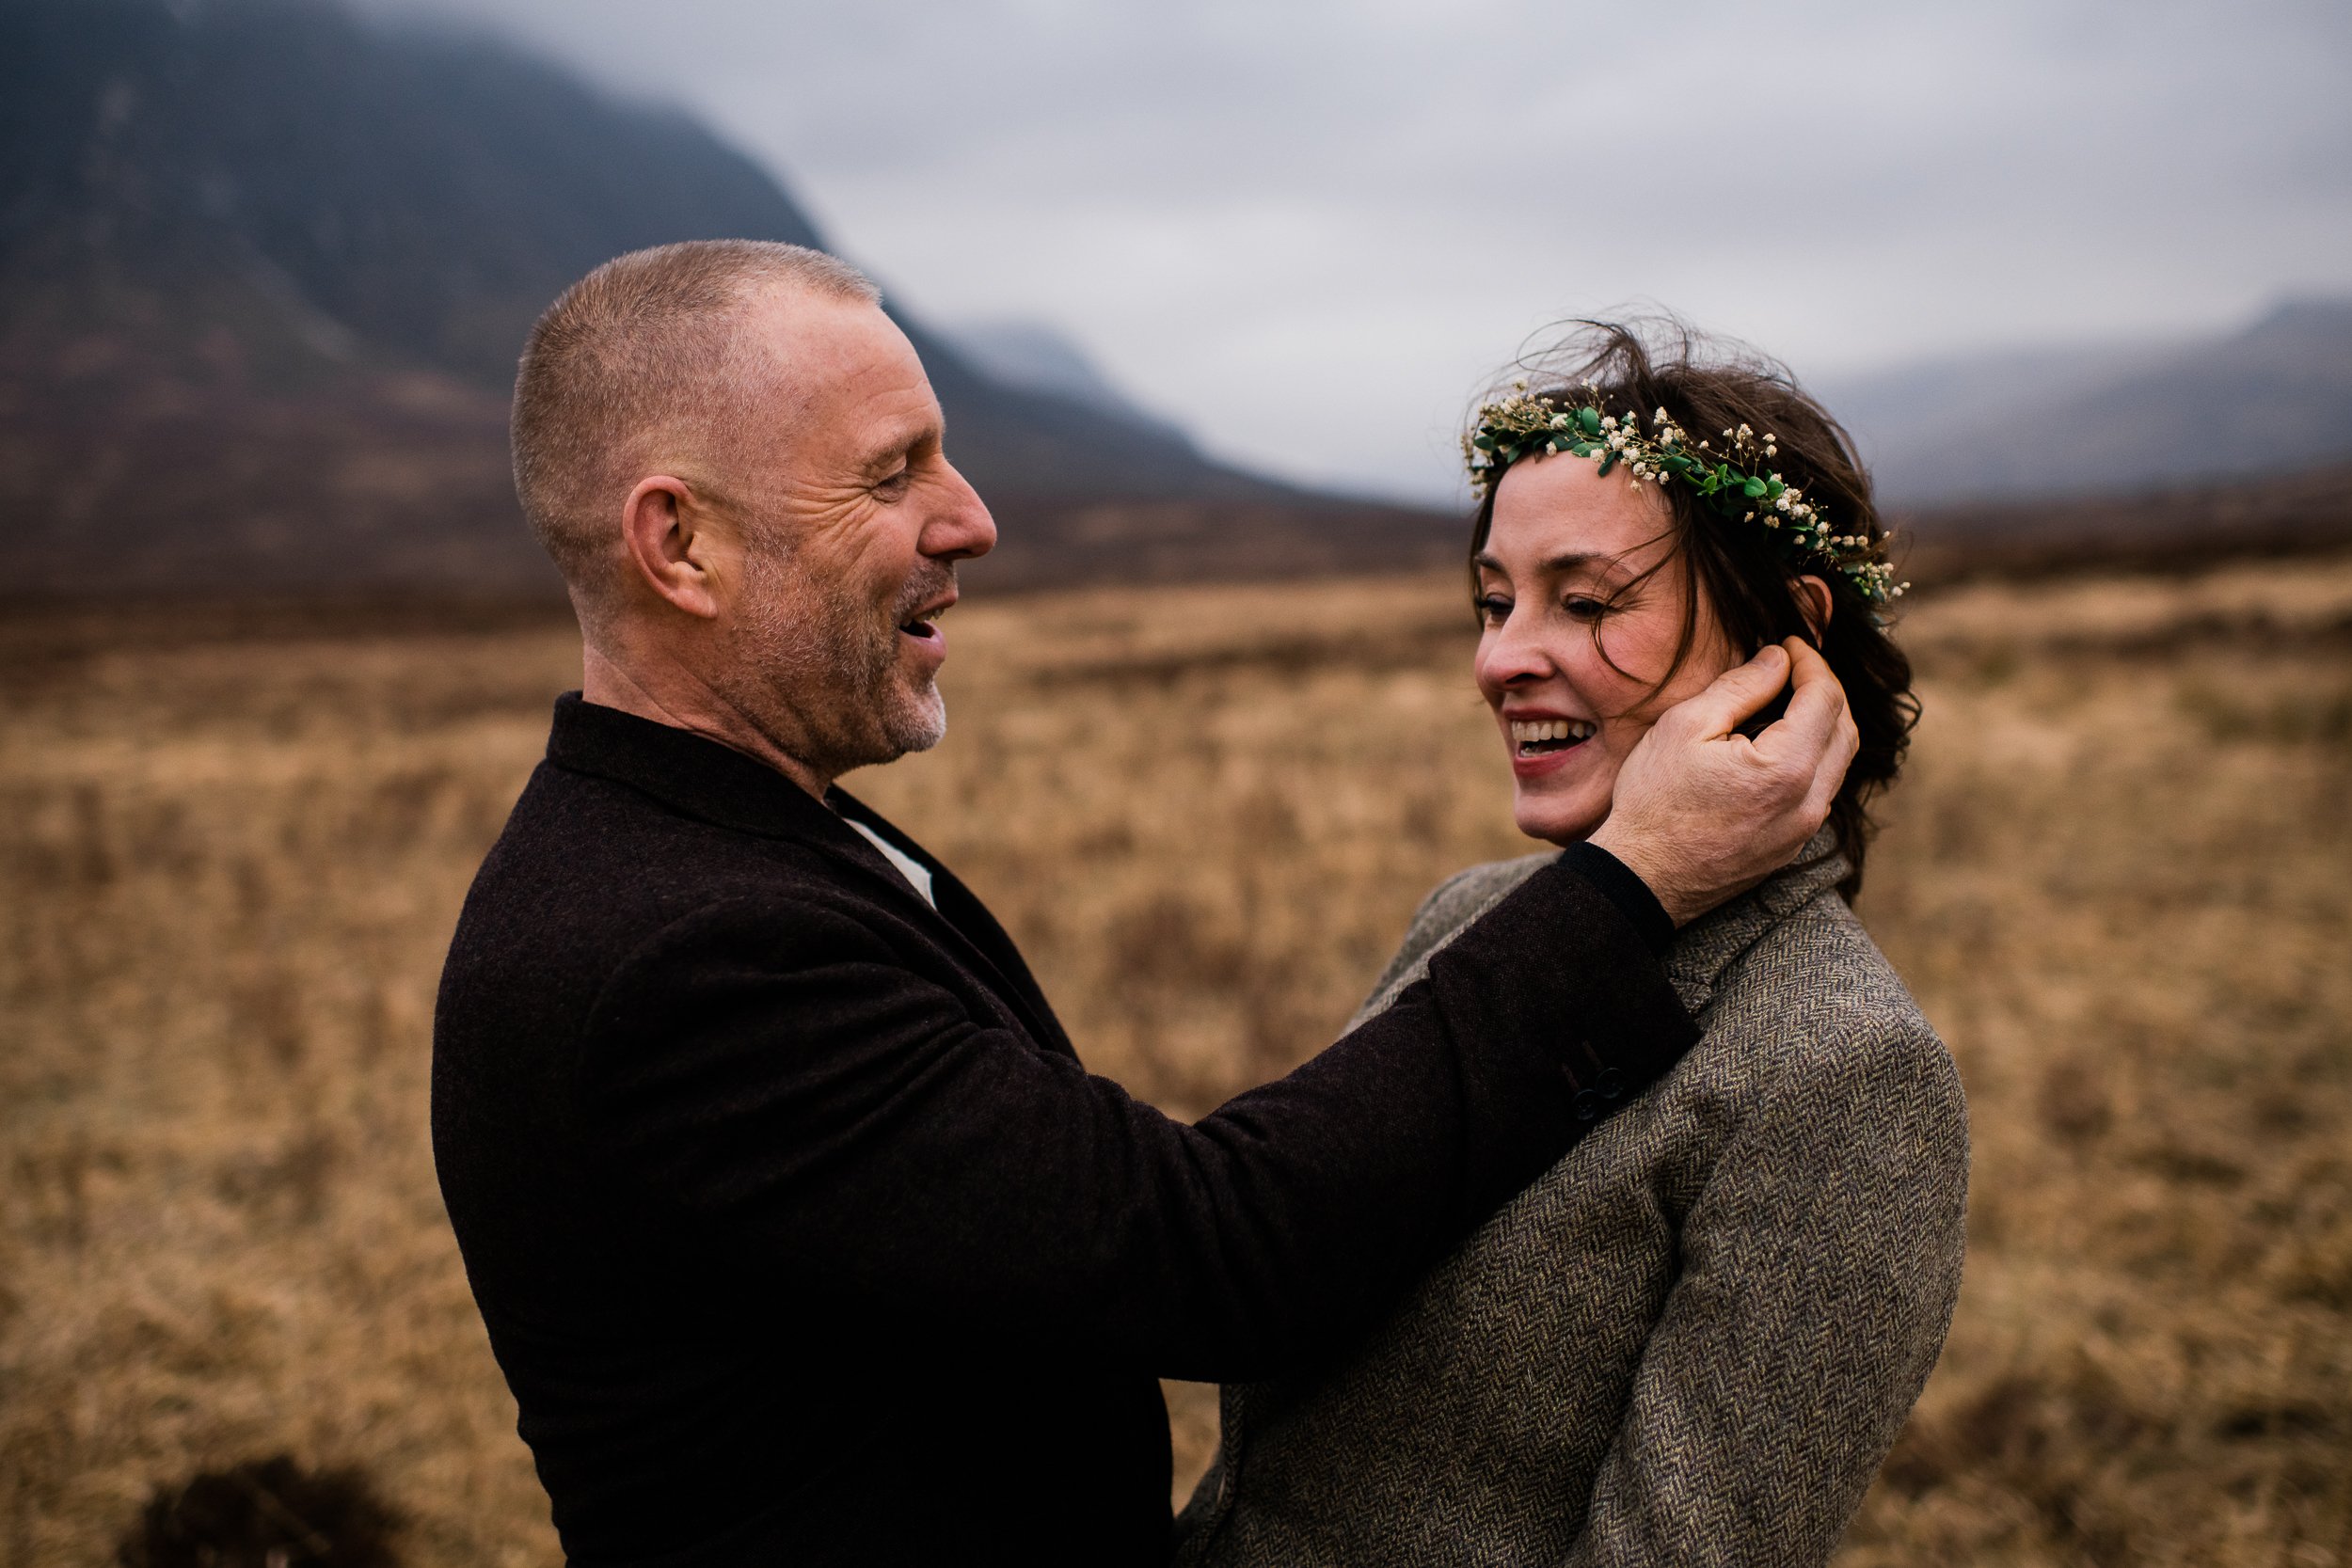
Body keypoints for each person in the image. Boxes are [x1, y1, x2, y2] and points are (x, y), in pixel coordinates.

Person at [430, 247, 1858, 1566]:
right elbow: (1213, 1252)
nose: (973, 518)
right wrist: (1627, 890)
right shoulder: (686, 956)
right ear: (680, 547)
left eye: (1587, 599)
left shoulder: (734, 842)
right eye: (890, 474)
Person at [1176, 322, 1970, 1567]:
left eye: (1585, 602)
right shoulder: (1470, 916)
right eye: (1494, 602)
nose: (1499, 659)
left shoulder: (1843, 1071)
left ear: (1789, 632)